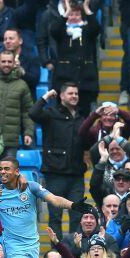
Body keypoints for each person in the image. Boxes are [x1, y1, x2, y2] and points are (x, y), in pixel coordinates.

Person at [29, 85, 86, 238]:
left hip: (76, 174)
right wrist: (46, 97)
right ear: (61, 96)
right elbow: (33, 113)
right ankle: (57, 250)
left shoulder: (81, 117)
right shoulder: (51, 113)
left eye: (76, 93)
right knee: (55, 216)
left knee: (77, 213)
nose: (74, 96)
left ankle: (75, 251)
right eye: (70, 93)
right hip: (55, 173)